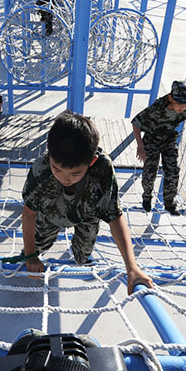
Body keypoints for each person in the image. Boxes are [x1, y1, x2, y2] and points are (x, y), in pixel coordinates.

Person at [22, 111, 153, 294]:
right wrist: (30, 255)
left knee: (82, 257)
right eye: (57, 169)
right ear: (49, 154)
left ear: (92, 161)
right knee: (33, 252)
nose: (64, 178)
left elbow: (115, 216)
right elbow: (29, 213)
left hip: (87, 214)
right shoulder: (41, 167)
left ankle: (82, 255)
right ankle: (31, 252)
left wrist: (132, 267)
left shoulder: (102, 168)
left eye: (75, 173)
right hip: (51, 213)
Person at [132, 80, 186, 215]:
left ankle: (169, 202)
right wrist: (140, 147)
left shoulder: (184, 107)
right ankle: (147, 197)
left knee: (172, 170)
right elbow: (136, 124)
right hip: (151, 140)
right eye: (179, 104)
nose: (182, 108)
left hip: (168, 140)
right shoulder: (157, 108)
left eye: (185, 104)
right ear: (171, 98)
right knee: (150, 171)